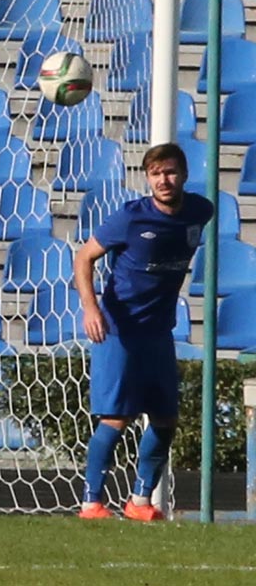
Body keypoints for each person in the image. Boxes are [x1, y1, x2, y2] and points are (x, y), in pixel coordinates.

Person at [74, 143, 213, 521]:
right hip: (119, 329)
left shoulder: (201, 211)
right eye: (155, 174)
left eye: (170, 172)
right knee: (116, 418)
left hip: (158, 331)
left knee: (165, 418)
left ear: (184, 174)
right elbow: (84, 257)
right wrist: (90, 307)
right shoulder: (130, 218)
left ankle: (139, 501)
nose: (163, 180)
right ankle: (90, 503)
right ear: (147, 179)